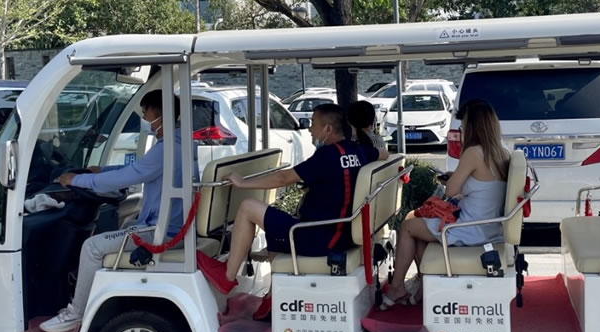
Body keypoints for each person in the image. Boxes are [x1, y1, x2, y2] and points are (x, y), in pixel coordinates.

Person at [40, 90, 198, 332]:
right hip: (170, 225)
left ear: (160, 114)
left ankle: (76, 313)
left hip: (161, 231)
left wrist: (76, 180)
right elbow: (138, 169)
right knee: (125, 225)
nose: (144, 118)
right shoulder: (180, 143)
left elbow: (128, 177)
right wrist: (100, 171)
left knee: (92, 247)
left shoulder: (166, 149)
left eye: (146, 113)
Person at [204, 103, 384, 291]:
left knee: (248, 207)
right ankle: (273, 295)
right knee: (278, 225)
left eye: (313, 123)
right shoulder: (359, 150)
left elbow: (283, 179)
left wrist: (242, 183)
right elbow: (384, 154)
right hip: (340, 235)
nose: (309, 129)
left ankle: (227, 276)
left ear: (328, 129)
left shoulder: (326, 156)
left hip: (316, 238)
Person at [381, 99, 509, 307]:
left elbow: (450, 191)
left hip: (470, 229)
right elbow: (481, 184)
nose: (462, 131)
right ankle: (424, 287)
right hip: (490, 227)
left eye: (463, 126)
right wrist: (458, 176)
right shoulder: (502, 151)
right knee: (418, 227)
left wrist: (453, 178)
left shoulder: (473, 153)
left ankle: (397, 288)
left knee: (407, 226)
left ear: (472, 126)